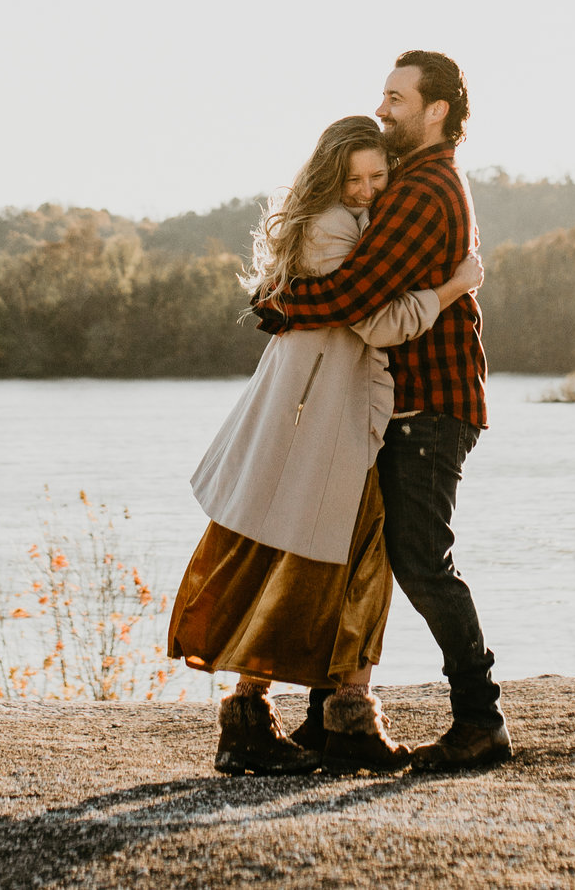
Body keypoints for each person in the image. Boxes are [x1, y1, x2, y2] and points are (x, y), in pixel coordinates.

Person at [168, 115, 483, 775]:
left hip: (323, 413)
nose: (367, 189)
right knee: (312, 555)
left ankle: (315, 714)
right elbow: (374, 318)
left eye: (377, 177)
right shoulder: (335, 226)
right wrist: (454, 286)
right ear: (331, 176)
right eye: (355, 178)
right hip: (319, 418)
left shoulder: (337, 220)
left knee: (315, 556)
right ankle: (297, 715)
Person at [259, 50, 508, 771]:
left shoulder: (426, 190)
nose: (385, 107)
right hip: (402, 407)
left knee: (421, 560)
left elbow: (355, 294)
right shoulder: (409, 182)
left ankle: (481, 717)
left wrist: (276, 307)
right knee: (353, 551)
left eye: (398, 97)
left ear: (436, 111)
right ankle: (325, 720)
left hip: (432, 406)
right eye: (385, 94)